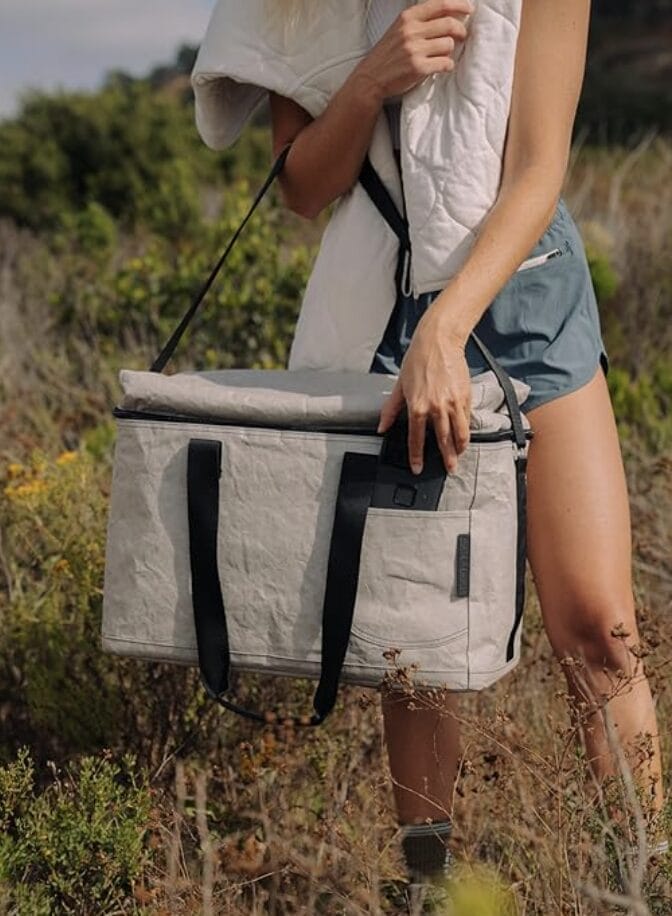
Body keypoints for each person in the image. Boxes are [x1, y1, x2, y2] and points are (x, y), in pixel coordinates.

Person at [196, 0, 667, 896]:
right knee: (417, 644)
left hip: (526, 289)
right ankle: (431, 892)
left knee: (600, 630)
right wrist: (374, 75)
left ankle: (647, 884)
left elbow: (538, 170)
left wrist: (445, 331)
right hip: (385, 296)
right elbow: (302, 188)